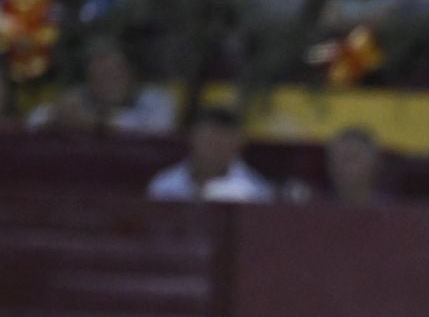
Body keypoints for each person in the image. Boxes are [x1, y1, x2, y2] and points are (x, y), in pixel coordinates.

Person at [28, 38, 176, 136]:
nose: (106, 84)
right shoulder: (81, 98)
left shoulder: (156, 99)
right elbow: (34, 119)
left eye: (112, 74)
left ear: (130, 74)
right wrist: (58, 114)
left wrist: (99, 123)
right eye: (98, 77)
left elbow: (159, 129)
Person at [147, 107, 275, 203]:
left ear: (238, 143)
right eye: (209, 140)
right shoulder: (164, 185)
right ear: (193, 138)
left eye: (221, 142)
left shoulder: (256, 192)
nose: (214, 148)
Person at [320, 125, 385, 205]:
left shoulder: (392, 210)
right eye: (340, 158)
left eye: (354, 157)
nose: (346, 165)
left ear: (375, 163)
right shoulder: (315, 208)